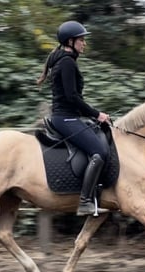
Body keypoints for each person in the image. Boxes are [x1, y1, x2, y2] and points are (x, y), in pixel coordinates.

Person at [36, 21, 111, 216]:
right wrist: (97, 114)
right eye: (81, 40)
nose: (84, 43)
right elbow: (72, 97)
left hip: (67, 117)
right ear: (70, 41)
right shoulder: (67, 62)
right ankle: (85, 201)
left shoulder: (62, 60)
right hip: (65, 119)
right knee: (99, 152)